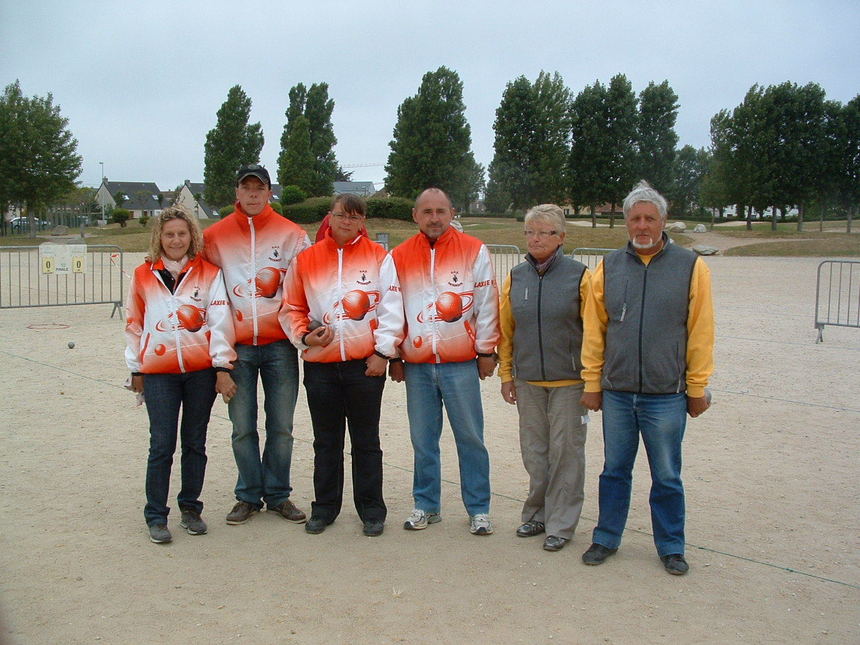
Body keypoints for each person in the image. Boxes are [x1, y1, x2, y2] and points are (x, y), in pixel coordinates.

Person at [579, 180, 714, 575]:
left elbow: (701, 331)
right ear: (625, 222)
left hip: (666, 394)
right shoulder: (608, 265)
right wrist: (592, 382)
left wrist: (696, 388)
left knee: (667, 474)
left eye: (649, 218)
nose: (642, 226)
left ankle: (671, 545)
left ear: (663, 220)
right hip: (618, 392)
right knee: (614, 469)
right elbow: (594, 328)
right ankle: (606, 537)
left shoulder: (691, 266)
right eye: (635, 218)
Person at [281, 194, 403, 537]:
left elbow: (392, 309)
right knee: (326, 441)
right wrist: (305, 337)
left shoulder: (380, 257)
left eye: (355, 216)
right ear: (330, 217)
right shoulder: (306, 259)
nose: (347, 222)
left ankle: (371, 510)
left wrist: (383, 353)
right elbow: (291, 307)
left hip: (364, 365)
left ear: (362, 221)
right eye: (341, 215)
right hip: (321, 365)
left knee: (366, 441)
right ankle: (324, 508)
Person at [202, 164, 310, 526]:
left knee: (282, 425)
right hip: (238, 347)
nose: (252, 194)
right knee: (242, 426)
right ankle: (248, 494)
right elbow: (201, 287)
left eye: (259, 187)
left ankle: (278, 494)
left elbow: (304, 287)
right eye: (245, 187)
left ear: (269, 192)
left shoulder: (291, 234)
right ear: (236, 192)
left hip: (279, 344)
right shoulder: (215, 236)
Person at [389, 187, 500, 536]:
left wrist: (486, 351)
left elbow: (486, 304)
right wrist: (393, 354)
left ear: (452, 212)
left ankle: (479, 508)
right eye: (427, 212)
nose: (434, 218)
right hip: (418, 363)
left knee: (470, 437)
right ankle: (426, 504)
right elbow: (392, 311)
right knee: (423, 439)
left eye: (441, 211)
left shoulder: (473, 250)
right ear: (415, 215)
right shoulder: (399, 255)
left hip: (460, 362)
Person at [125, 206, 237, 544]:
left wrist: (221, 366)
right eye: (169, 234)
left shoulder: (209, 273)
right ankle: (156, 515)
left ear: (192, 236)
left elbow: (220, 323)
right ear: (159, 237)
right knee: (161, 444)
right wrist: (135, 368)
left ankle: (191, 508)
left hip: (200, 372)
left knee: (194, 442)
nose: (176, 240)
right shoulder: (143, 275)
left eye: (182, 234)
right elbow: (134, 323)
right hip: (159, 373)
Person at [498, 204, 591, 552]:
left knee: (567, 453)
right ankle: (537, 513)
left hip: (569, 381)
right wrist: (507, 375)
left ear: (561, 237)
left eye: (545, 232)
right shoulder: (516, 277)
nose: (536, 238)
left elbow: (595, 331)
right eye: (530, 232)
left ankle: (561, 524)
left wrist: (593, 380)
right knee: (535, 452)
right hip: (528, 381)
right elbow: (507, 331)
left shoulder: (581, 276)